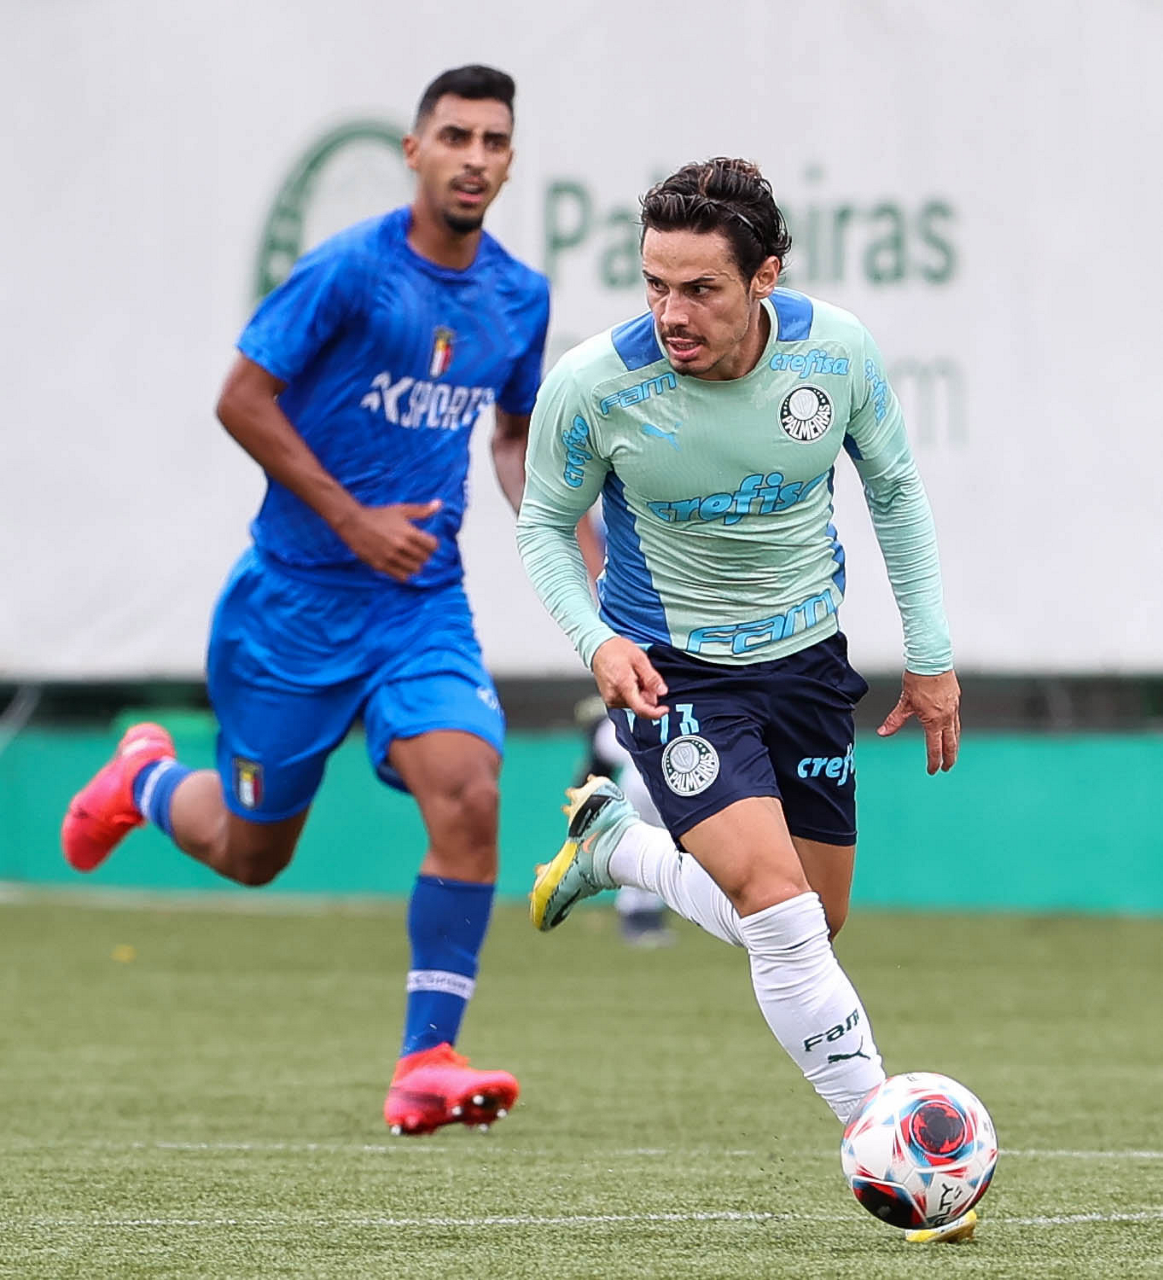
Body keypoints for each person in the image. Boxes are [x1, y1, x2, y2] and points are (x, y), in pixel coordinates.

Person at [61, 65, 545, 1137]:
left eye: (493, 141)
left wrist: (569, 537)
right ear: (414, 151)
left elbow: (511, 440)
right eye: (455, 136)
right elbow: (241, 398)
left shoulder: (519, 295)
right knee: (252, 854)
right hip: (292, 607)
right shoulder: (349, 271)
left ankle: (425, 1058)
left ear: (511, 161)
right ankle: (144, 778)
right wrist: (353, 520)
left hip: (420, 602)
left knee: (468, 791)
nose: (473, 157)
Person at [518, 157, 971, 1241]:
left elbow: (894, 490)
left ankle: (617, 848)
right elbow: (541, 522)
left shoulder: (835, 352)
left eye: (700, 289)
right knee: (780, 915)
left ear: (765, 276)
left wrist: (930, 655)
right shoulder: (594, 384)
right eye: (653, 285)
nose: (671, 314)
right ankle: (894, 1146)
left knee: (816, 914)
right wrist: (596, 641)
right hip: (674, 673)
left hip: (806, 664)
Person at [572, 694, 672, 946]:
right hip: (662, 782)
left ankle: (637, 917)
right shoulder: (638, 718)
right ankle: (647, 918)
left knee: (640, 849)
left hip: (638, 784)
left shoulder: (606, 729)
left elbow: (594, 774)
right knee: (661, 849)